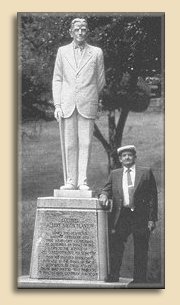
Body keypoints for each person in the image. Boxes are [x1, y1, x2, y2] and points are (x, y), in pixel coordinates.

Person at [52, 18, 106, 190]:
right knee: (69, 143)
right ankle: (70, 180)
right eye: (77, 29)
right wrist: (58, 104)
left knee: (86, 143)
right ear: (71, 32)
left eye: (83, 29)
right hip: (67, 103)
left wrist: (91, 95)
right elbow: (58, 78)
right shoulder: (62, 51)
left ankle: (82, 180)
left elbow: (100, 80)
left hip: (87, 102)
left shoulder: (96, 52)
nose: (80, 32)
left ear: (87, 31)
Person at [99, 145, 158, 287]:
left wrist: (152, 218)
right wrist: (103, 195)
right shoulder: (115, 174)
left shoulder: (146, 172)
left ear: (135, 157)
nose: (127, 157)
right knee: (116, 245)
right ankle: (114, 275)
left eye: (130, 155)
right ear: (120, 159)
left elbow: (153, 197)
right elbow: (106, 189)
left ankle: (139, 279)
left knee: (141, 247)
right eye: (124, 155)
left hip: (140, 215)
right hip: (122, 215)